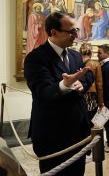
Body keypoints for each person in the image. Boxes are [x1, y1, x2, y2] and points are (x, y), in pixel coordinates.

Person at [24, 12, 94, 175]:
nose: (76, 35)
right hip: (53, 135)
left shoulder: (76, 55)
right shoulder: (36, 58)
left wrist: (80, 84)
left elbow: (85, 76)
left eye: (76, 30)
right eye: (71, 32)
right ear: (54, 32)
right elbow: (42, 92)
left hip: (78, 133)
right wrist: (64, 84)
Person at [79, 43, 104, 127]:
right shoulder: (96, 64)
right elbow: (99, 85)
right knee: (91, 122)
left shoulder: (76, 63)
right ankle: (90, 139)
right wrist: (101, 102)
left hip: (79, 94)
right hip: (91, 96)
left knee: (81, 121)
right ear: (91, 52)